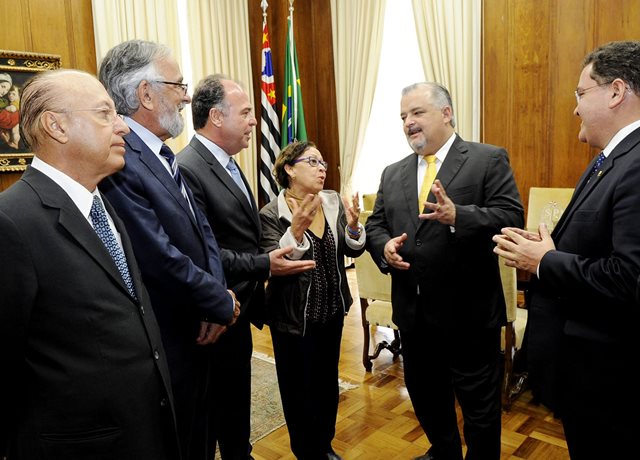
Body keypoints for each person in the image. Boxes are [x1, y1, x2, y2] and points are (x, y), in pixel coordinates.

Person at [0, 69, 180, 459]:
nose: (124, 128)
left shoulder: (101, 204)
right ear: (57, 126)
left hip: (146, 429)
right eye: (104, 114)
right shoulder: (11, 222)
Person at [493, 40, 640, 459]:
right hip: (585, 371)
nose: (575, 109)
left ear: (616, 91)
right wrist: (550, 250)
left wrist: (546, 261)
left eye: (580, 93)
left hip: (610, 379)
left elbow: (630, 278)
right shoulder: (610, 159)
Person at [365, 82, 524, 460]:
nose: (408, 122)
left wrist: (459, 216)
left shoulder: (487, 159)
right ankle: (444, 452)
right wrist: (384, 247)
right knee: (427, 397)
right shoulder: (392, 172)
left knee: (479, 411)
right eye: (403, 116)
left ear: (446, 113)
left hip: (469, 316)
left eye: (417, 112)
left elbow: (511, 216)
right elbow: (375, 225)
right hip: (414, 316)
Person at [97, 40, 238, 460]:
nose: (186, 97)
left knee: (202, 435)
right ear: (146, 93)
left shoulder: (161, 152)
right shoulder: (122, 158)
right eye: (178, 85)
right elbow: (156, 255)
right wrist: (219, 301)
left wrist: (215, 297)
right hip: (169, 335)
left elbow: (202, 231)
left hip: (197, 321)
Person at [177, 75, 316, 459]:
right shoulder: (188, 168)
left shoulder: (228, 163)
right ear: (217, 117)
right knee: (215, 407)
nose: (255, 120)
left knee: (235, 401)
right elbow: (201, 252)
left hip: (239, 308)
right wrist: (263, 264)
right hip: (215, 312)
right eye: (246, 112)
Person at [259, 140, 365, 460]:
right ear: (290, 170)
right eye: (313, 162)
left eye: (323, 163)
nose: (322, 169)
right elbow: (276, 263)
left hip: (331, 313)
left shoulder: (331, 202)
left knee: (327, 388)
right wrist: (294, 231)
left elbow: (352, 249)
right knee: (298, 393)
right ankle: (307, 452)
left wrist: (354, 228)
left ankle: (324, 445)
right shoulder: (271, 214)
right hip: (293, 321)